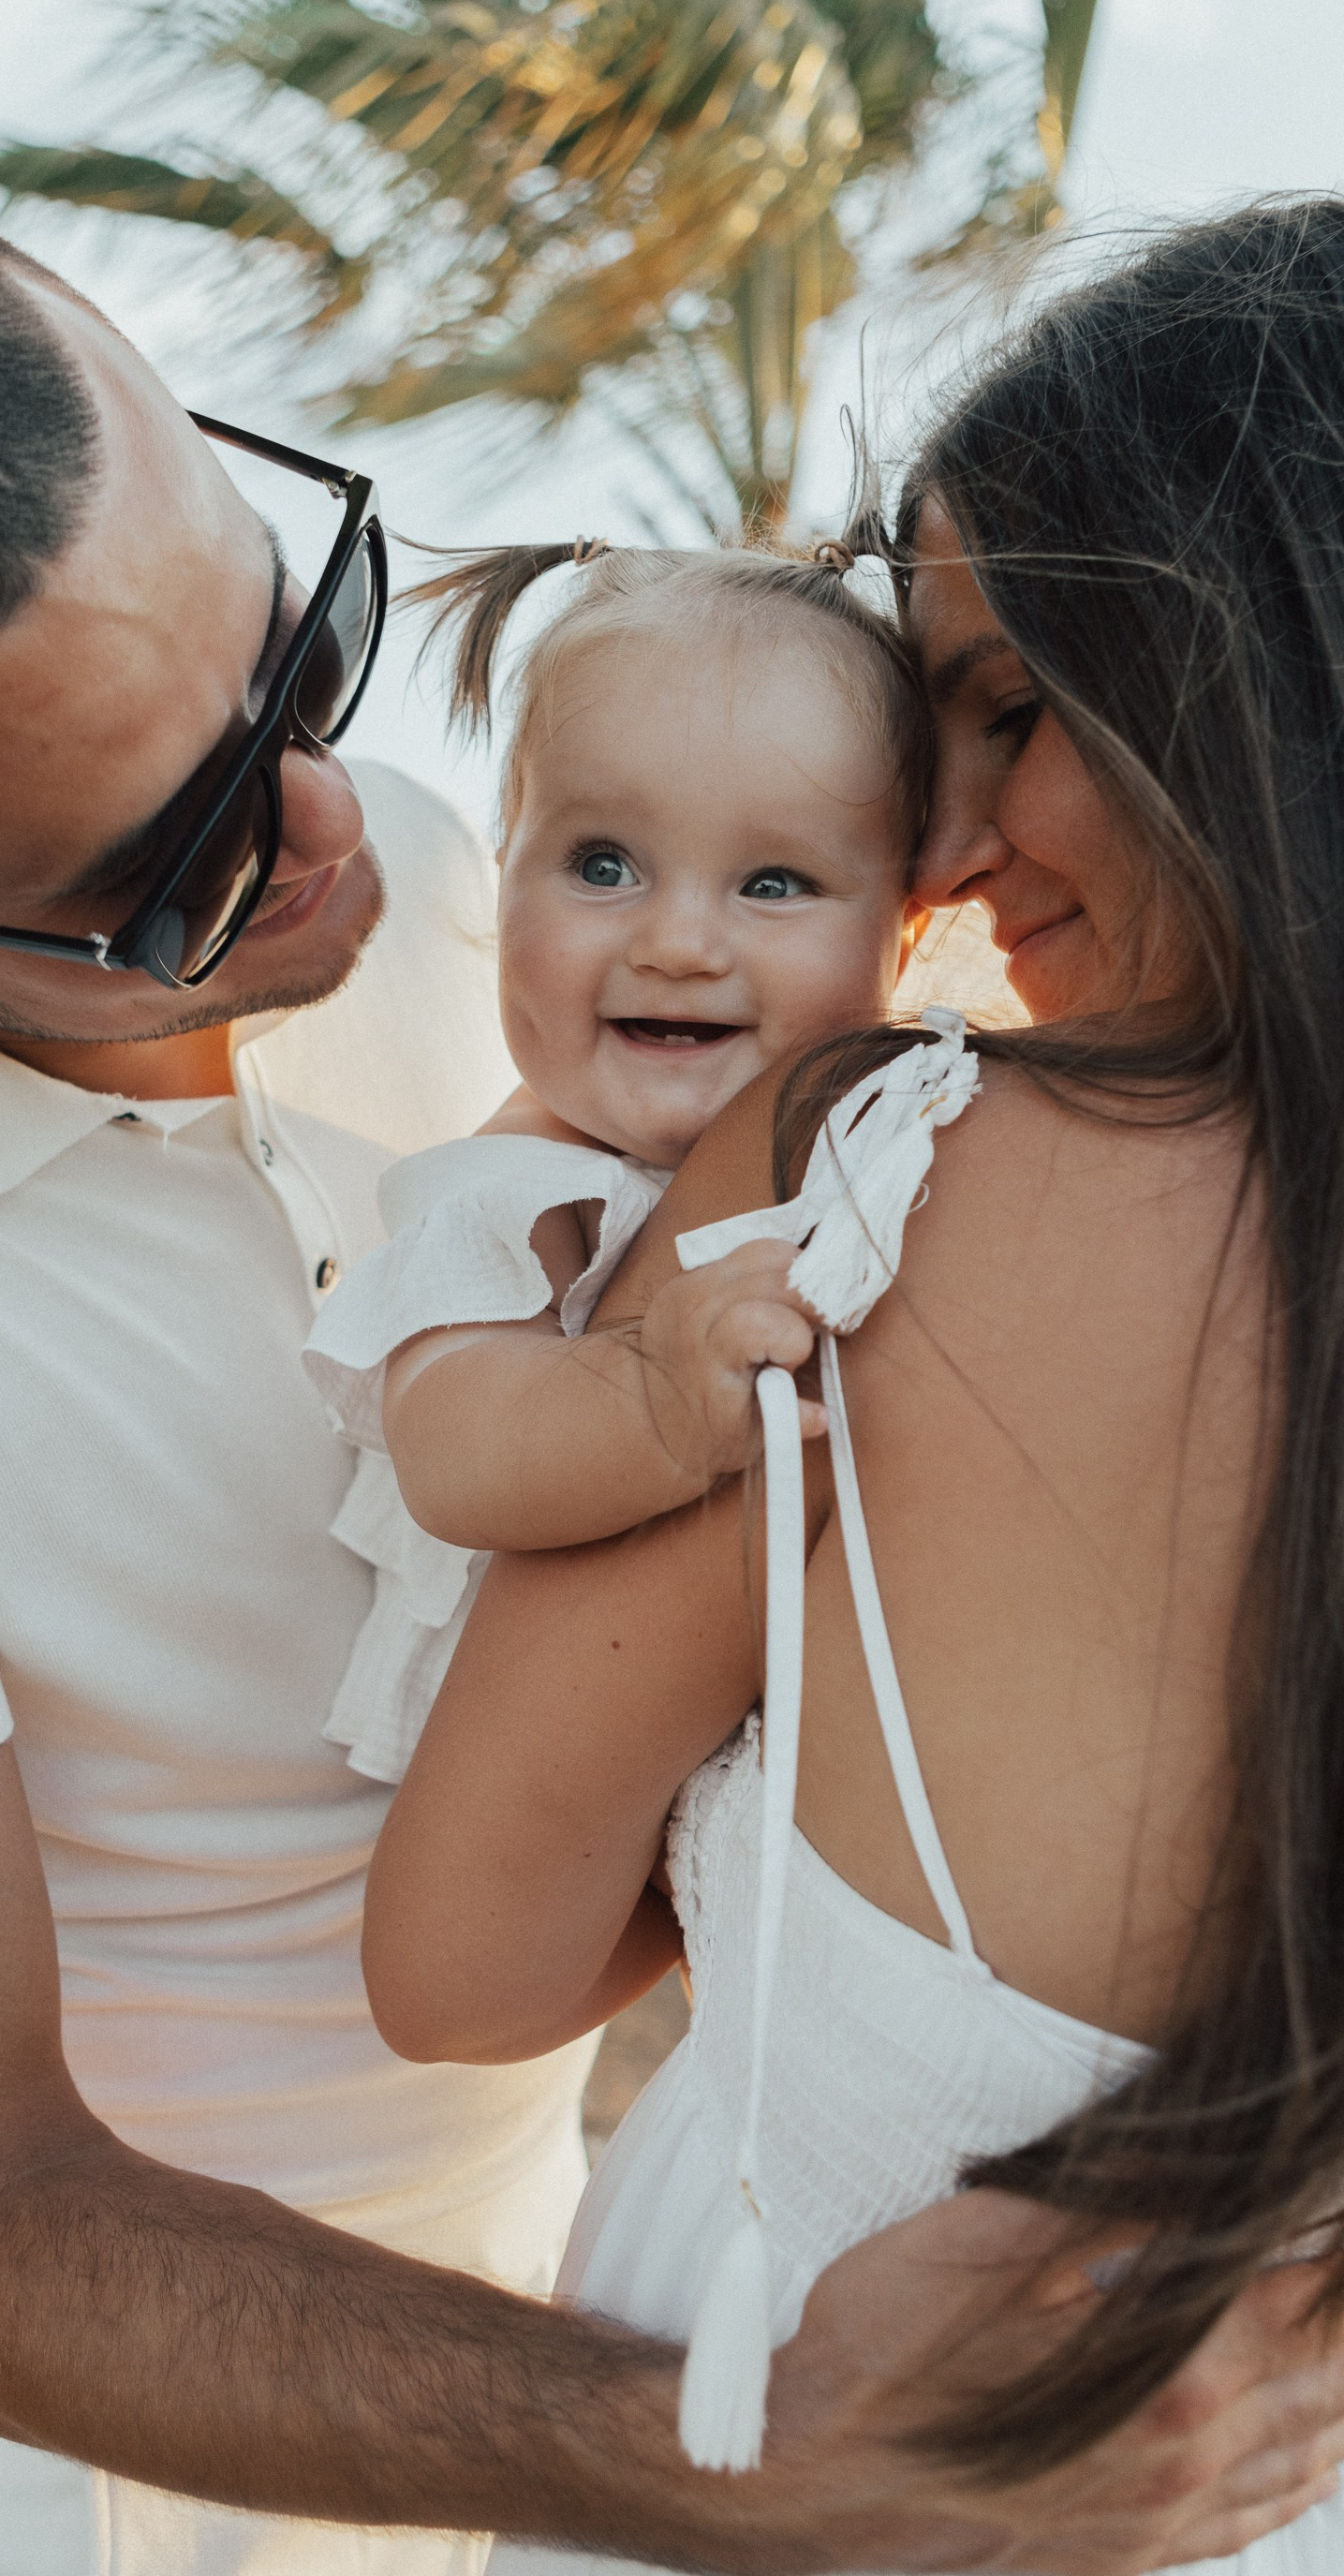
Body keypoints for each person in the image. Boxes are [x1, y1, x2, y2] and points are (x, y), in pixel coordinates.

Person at [0, 171, 1344, 2576]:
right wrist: (751, 2445)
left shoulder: (453, 902)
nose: (332, 830)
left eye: (303, 647)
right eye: (168, 861)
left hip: (644, 2305)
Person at [364, 200, 1344, 2576]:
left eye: (1010, 710)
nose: (936, 842)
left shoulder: (862, 1175)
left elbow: (463, 1962)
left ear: (1262, 680)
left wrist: (758, 1796)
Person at [303, 533, 939, 1785]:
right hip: (536, 1767)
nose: (679, 942)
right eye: (603, 867)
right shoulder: (518, 1189)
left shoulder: (881, 1153)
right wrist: (648, 1395)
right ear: (504, 884)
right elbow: (455, 1446)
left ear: (901, 940)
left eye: (774, 882)